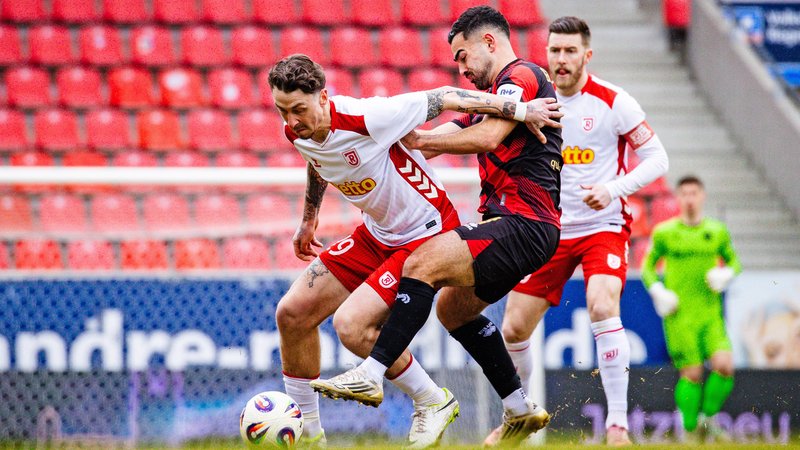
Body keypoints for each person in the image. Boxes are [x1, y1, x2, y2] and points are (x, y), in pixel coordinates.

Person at [268, 54, 562, 448]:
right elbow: (319, 160)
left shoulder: (371, 115)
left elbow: (448, 96)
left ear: (323, 97)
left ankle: (432, 400)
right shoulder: (298, 130)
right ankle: (309, 437)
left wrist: (522, 109)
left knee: (353, 328)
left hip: (425, 231)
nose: (291, 122)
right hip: (377, 233)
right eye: (282, 111)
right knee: (291, 314)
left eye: (299, 110)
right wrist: (309, 218)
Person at [482, 16, 671, 447]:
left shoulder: (613, 100)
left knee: (602, 305)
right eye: (554, 50)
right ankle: (519, 417)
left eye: (570, 51)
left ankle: (618, 426)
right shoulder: (536, 99)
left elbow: (657, 158)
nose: (561, 59)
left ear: (587, 55)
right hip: (547, 228)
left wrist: (613, 189)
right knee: (513, 329)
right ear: (545, 53)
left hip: (602, 226)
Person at [642, 175, 741, 442]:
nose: (689, 198)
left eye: (694, 193)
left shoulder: (717, 231)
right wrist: (658, 291)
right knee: (693, 373)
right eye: (684, 193)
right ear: (677, 198)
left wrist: (726, 274)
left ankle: (708, 418)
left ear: (702, 196)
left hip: (710, 314)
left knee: (725, 365)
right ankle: (689, 430)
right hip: (680, 316)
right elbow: (648, 267)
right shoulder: (665, 232)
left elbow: (734, 262)